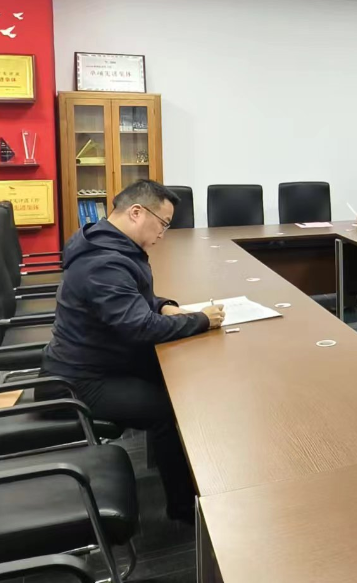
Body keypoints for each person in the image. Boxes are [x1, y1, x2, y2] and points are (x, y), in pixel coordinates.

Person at [41, 180, 225, 523]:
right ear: (137, 212)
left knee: (183, 381)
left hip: (105, 359)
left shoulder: (110, 244)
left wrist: (165, 305)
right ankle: (185, 510)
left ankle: (194, 486)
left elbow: (134, 299)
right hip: (79, 380)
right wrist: (201, 320)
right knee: (170, 410)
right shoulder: (103, 262)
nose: (163, 234)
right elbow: (139, 326)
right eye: (163, 223)